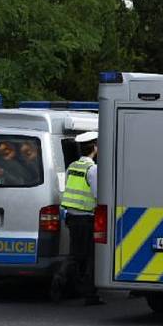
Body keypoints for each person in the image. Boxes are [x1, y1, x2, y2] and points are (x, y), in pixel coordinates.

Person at [59, 131, 103, 306]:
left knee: (75, 255)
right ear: (94, 148)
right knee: (92, 257)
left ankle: (59, 282)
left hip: (71, 217)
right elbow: (99, 195)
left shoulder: (72, 166)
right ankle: (90, 294)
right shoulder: (93, 170)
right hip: (87, 218)